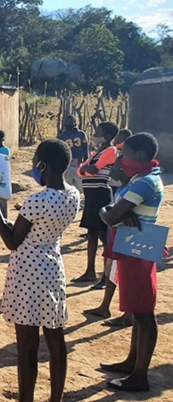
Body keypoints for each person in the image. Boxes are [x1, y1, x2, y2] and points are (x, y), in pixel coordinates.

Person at [0, 139, 80, 402]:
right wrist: (7, 225)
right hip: (52, 267)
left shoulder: (37, 200)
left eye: (36, 160)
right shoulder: (73, 195)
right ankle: (55, 398)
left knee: (27, 345)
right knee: (55, 337)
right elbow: (31, 231)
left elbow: (13, 241)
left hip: (27, 272)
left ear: (44, 165)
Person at [99, 133, 164, 393]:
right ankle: (131, 363)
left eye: (125, 153)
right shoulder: (141, 178)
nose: (121, 158)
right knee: (138, 311)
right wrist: (116, 213)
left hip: (138, 250)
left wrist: (109, 213)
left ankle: (140, 376)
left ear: (138, 155)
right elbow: (117, 210)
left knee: (144, 313)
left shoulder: (144, 182)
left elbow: (110, 213)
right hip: (133, 247)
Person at [83, 156, 133, 326]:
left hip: (128, 238)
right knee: (112, 270)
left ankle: (128, 313)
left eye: (117, 167)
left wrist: (105, 212)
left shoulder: (135, 187)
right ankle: (105, 306)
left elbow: (111, 215)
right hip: (117, 234)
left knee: (126, 275)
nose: (113, 171)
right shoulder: (122, 188)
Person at [74, 122, 119, 284]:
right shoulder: (97, 152)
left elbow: (92, 170)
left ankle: (107, 276)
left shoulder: (110, 151)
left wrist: (86, 169)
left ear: (107, 137)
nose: (94, 134)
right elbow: (82, 171)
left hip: (100, 196)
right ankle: (90, 271)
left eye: (97, 132)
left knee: (103, 235)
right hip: (92, 196)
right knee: (92, 234)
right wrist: (86, 169)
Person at [57, 115, 88, 195]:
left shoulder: (81, 134)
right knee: (68, 182)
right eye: (67, 122)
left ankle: (78, 196)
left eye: (70, 122)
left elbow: (85, 147)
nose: (68, 124)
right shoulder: (62, 136)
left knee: (80, 182)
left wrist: (86, 159)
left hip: (78, 162)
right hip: (68, 163)